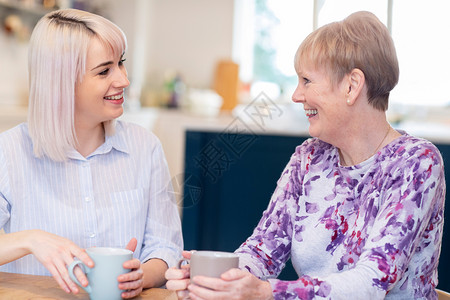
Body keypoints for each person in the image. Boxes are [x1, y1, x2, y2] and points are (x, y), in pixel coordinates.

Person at [165, 11, 446, 300]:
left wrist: (265, 293)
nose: (296, 95)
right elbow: (263, 250)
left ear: (352, 86)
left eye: (307, 81)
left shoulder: (416, 163)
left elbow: (372, 281)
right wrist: (214, 280)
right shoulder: (309, 158)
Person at [0, 8, 183, 299]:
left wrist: (142, 276)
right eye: (104, 71)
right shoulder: (8, 152)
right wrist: (31, 240)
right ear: (60, 82)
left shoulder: (144, 147)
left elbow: (166, 247)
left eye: (121, 64)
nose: (123, 80)